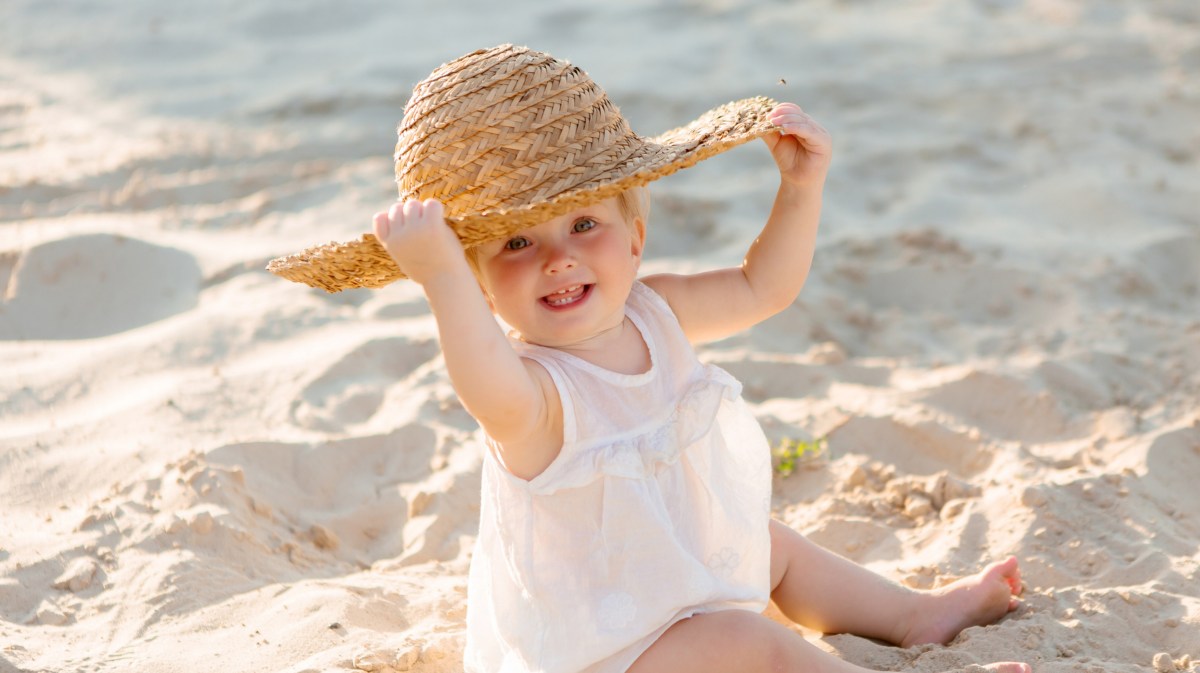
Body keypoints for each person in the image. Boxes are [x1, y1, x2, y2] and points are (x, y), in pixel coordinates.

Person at [269, 45, 1028, 673]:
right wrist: (438, 276)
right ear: (478, 284)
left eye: (584, 223)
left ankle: (916, 615)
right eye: (516, 242)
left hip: (674, 585)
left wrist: (801, 189)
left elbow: (764, 285)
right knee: (752, 641)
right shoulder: (534, 396)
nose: (558, 259)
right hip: (602, 651)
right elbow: (481, 384)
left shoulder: (656, 311)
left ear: (635, 235)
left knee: (772, 548)